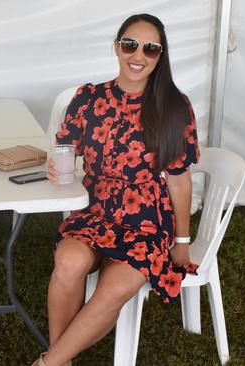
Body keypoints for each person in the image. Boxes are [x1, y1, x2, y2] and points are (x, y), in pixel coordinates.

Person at [34, 14, 199, 366]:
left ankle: (50, 362)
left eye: (150, 49)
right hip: (96, 210)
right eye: (130, 44)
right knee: (68, 261)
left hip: (147, 222)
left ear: (160, 56)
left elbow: (179, 180)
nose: (138, 55)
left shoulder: (173, 107)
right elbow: (66, 150)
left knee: (113, 290)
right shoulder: (89, 98)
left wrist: (181, 244)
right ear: (116, 47)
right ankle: (61, 359)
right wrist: (56, 165)